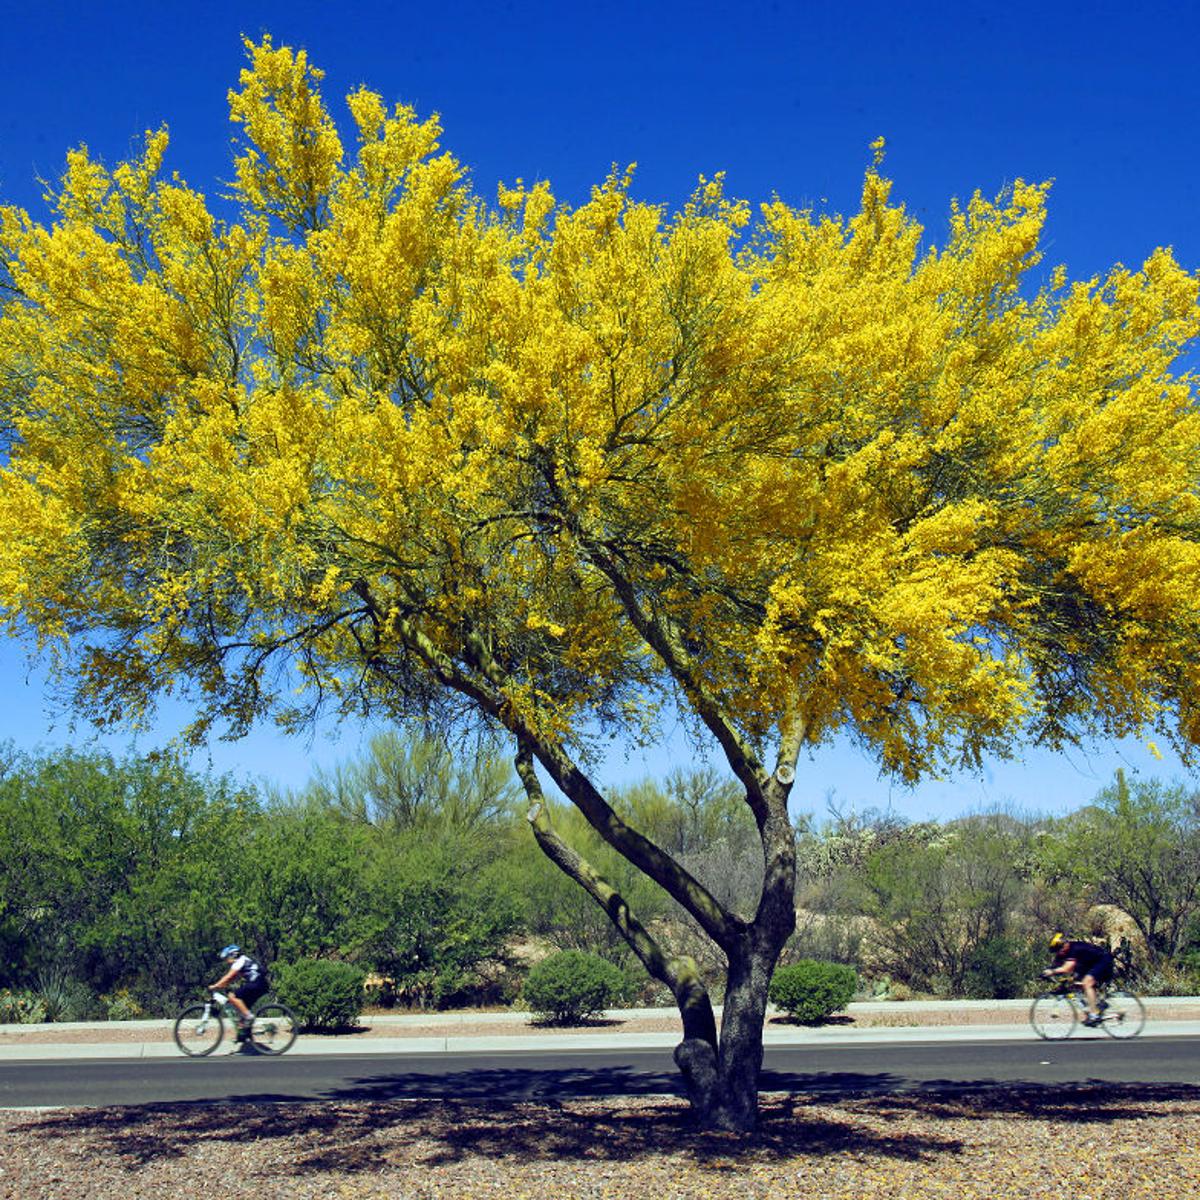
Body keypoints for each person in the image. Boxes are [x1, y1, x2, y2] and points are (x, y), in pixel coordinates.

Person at [1043, 932, 1114, 1026]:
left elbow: (1067, 968)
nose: (1059, 952)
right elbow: (1055, 965)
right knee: (1076, 984)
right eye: (1056, 951)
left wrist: (1052, 972)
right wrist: (1045, 973)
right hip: (1090, 964)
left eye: (1059, 949)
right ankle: (1098, 1005)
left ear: (1063, 945)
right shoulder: (1062, 953)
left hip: (1103, 960)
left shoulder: (1074, 949)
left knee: (1087, 982)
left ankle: (1094, 1015)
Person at [209, 944, 269, 1042]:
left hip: (256, 983)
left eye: (227, 958)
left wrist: (215, 986)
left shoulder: (240, 961)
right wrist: (223, 985)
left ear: (233, 955)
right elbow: (232, 978)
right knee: (242, 1009)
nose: (226, 961)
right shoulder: (243, 961)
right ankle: (244, 1035)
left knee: (232, 997)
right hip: (260, 984)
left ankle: (249, 1018)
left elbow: (228, 976)